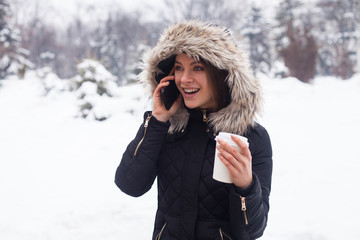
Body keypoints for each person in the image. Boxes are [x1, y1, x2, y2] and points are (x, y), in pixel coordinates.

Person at [115, 20, 273, 240]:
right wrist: (157, 121)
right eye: (179, 67)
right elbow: (129, 184)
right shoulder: (167, 128)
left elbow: (253, 230)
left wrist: (246, 186)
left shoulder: (252, 137)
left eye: (197, 67)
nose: (184, 79)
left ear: (222, 73)